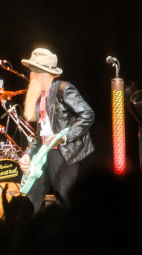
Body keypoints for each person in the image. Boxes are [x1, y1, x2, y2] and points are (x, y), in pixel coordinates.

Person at [18, 48, 94, 211]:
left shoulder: (63, 89)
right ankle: (28, 232)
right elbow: (41, 135)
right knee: (29, 200)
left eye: (32, 72)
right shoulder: (40, 98)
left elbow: (87, 114)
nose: (30, 76)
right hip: (44, 154)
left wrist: (65, 137)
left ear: (40, 73)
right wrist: (28, 155)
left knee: (64, 200)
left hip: (64, 153)